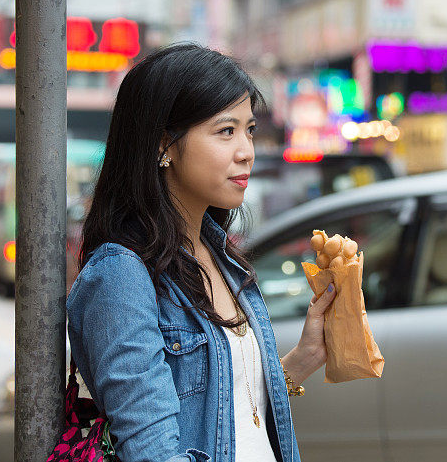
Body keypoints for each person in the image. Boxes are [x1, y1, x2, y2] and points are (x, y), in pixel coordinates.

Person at [66, 43, 337, 462]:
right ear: (163, 146)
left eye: (249, 129)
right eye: (225, 131)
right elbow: (151, 450)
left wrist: (302, 360)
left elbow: (229, 413)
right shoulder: (121, 275)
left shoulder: (220, 257)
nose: (246, 149)